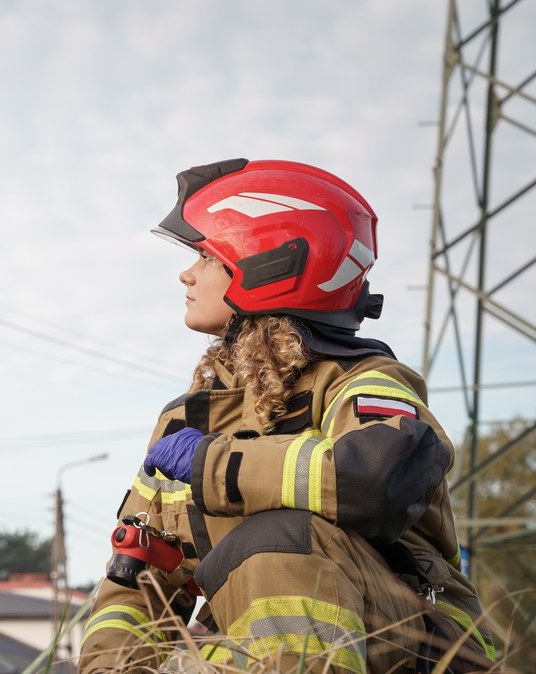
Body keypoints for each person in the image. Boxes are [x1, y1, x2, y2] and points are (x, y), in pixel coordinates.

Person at [79, 159, 498, 673]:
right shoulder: (184, 420)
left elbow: (374, 482)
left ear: (271, 263)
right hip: (266, 649)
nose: (185, 274)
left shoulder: (364, 380)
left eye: (206, 257)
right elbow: (137, 577)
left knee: (278, 542)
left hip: (422, 649)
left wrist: (213, 464)